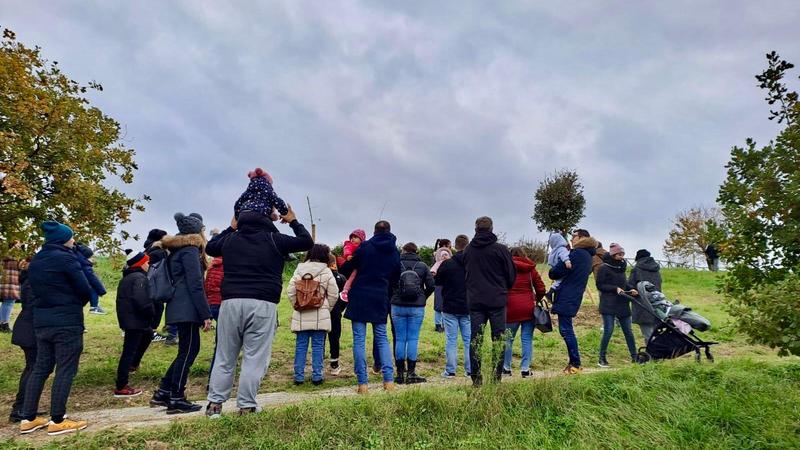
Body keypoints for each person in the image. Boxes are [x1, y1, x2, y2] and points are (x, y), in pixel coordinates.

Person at [204, 206, 313, 418]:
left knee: (225, 356)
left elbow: (210, 247)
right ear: (266, 220)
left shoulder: (230, 239)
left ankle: (215, 405)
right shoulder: (274, 238)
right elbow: (306, 241)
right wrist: (292, 220)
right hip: (263, 303)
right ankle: (246, 405)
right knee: (254, 357)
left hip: (231, 302)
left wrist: (231, 227)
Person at [20, 221, 93, 436]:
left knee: (41, 368)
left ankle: (28, 418)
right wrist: (75, 303)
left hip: (42, 321)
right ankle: (58, 419)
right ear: (63, 239)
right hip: (66, 322)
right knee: (66, 368)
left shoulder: (37, 260)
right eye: (71, 237)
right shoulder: (67, 258)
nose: (73, 241)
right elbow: (84, 288)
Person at [149, 213, 212, 415]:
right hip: (188, 308)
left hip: (178, 306)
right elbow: (195, 284)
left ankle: (164, 391)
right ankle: (177, 397)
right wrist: (206, 314)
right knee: (189, 351)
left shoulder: (176, 250)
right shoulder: (190, 251)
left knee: (185, 351)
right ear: (197, 232)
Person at [341, 220, 401, 394]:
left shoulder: (365, 247)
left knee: (359, 339)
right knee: (382, 338)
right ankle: (388, 382)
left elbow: (347, 268)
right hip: (380, 295)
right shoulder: (394, 252)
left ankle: (363, 384)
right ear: (389, 231)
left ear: (374, 232)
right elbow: (396, 277)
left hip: (360, 294)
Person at [463, 217, 516, 387]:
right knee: (498, 339)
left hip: (476, 300)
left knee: (476, 339)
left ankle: (477, 379)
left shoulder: (469, 250)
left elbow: (466, 273)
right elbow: (511, 275)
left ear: (475, 229)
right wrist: (502, 288)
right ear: (492, 228)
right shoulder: (501, 250)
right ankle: (496, 377)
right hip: (497, 300)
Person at [287, 244, 339, 386]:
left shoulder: (299, 270)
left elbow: (290, 291)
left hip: (301, 313)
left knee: (301, 346)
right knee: (318, 346)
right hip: (320, 313)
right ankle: (317, 376)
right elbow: (334, 294)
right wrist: (326, 308)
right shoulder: (327, 271)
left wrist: (298, 305)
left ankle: (298, 377)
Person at [549, 228, 597, 375]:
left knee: (566, 330)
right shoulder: (588, 255)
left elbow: (555, 272)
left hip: (567, 295)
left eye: (574, 236)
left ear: (582, 237)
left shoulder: (576, 254)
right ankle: (574, 363)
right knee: (566, 329)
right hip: (574, 295)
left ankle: (575, 364)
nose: (571, 239)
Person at [390, 242, 435, 384]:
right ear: (417, 252)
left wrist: (395, 295)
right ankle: (411, 373)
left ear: (403, 251)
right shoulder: (423, 266)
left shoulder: (396, 264)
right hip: (417, 307)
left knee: (400, 338)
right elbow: (432, 285)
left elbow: (389, 283)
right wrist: (422, 297)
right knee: (413, 339)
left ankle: (399, 374)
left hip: (397, 306)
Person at [113, 250, 154, 398]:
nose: (148, 265)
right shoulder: (139, 278)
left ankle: (133, 364)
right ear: (141, 264)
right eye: (147, 262)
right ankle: (121, 385)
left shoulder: (128, 277)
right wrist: (151, 311)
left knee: (148, 334)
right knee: (128, 351)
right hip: (136, 320)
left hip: (129, 318)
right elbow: (141, 300)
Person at [503, 247, 546, 378]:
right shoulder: (530, 269)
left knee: (508, 340)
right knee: (527, 339)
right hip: (528, 308)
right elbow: (541, 288)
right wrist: (535, 299)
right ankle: (525, 369)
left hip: (510, 308)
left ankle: (506, 369)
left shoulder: (504, 268)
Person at [9, 258, 42, 423]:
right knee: (33, 369)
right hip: (30, 329)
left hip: (27, 328)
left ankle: (25, 407)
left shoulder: (28, 278)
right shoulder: (32, 281)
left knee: (32, 368)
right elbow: (34, 304)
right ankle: (21, 408)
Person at [435, 234, 471, 378]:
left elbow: (437, 281)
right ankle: (470, 370)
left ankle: (450, 370)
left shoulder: (447, 264)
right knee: (468, 340)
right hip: (468, 306)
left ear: (455, 247)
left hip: (450, 305)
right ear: (468, 246)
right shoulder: (473, 264)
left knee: (451, 339)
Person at [595, 243, 638, 367]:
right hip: (608, 304)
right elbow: (600, 285)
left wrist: (632, 289)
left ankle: (634, 357)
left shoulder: (622, 267)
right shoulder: (604, 268)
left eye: (622, 254)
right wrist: (615, 289)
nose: (621, 256)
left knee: (628, 332)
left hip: (623, 304)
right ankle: (601, 358)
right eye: (619, 254)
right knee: (608, 331)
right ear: (613, 255)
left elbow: (624, 284)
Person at [144, 229, 175, 344]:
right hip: (156, 282)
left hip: (146, 282)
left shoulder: (148, 248)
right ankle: (152, 332)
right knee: (157, 306)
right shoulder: (160, 252)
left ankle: (149, 330)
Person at [628, 249, 662, 342]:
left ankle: (653, 352)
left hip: (641, 303)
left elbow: (630, 286)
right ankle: (657, 350)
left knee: (647, 333)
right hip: (656, 302)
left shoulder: (636, 269)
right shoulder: (656, 269)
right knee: (655, 330)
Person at [327, 254, 347, 375]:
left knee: (320, 338)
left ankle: (317, 363)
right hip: (335, 311)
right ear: (334, 264)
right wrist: (340, 308)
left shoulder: (320, 277)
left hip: (322, 310)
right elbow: (345, 296)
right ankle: (334, 364)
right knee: (335, 337)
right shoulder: (341, 278)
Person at [74, 243, 108, 315]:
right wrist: (101, 290)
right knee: (93, 288)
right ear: (85, 257)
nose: (93, 259)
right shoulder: (85, 265)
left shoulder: (78, 261)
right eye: (91, 257)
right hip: (80, 286)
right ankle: (94, 307)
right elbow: (92, 278)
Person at [338, 229, 366, 302]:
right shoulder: (349, 245)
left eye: (355, 237)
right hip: (349, 262)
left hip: (356, 267)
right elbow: (347, 250)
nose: (352, 239)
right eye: (352, 237)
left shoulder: (364, 247)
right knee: (352, 277)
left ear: (361, 239)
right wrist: (348, 255)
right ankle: (345, 290)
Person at [431, 238, 452, 332]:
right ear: (446, 245)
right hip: (445, 283)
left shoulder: (436, 254)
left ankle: (438, 324)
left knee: (438, 306)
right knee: (443, 305)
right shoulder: (445, 253)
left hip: (437, 283)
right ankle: (442, 325)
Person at [1, 241, 23, 332]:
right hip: (10, 281)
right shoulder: (14, 255)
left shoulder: (4, 254)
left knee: (7, 302)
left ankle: (3, 323)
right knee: (9, 302)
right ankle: (4, 324)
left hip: (6, 281)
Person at [546, 233, 572, 299]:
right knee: (561, 280)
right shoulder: (562, 249)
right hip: (560, 267)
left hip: (554, 267)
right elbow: (564, 255)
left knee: (557, 280)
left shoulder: (554, 250)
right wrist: (567, 261)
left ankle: (551, 292)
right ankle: (551, 292)